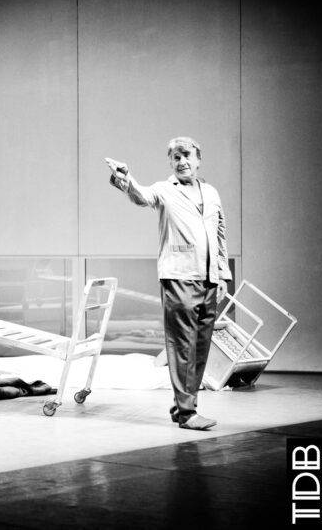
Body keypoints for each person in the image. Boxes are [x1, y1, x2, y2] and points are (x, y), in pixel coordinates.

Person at [106, 137, 231, 431]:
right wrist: (125, 178)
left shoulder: (211, 192)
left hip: (209, 279)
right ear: (171, 162)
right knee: (182, 346)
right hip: (179, 277)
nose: (182, 161)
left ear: (198, 160)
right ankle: (187, 414)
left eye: (187, 155)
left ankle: (183, 406)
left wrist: (223, 275)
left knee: (200, 347)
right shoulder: (165, 190)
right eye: (176, 157)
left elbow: (220, 234)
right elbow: (141, 196)